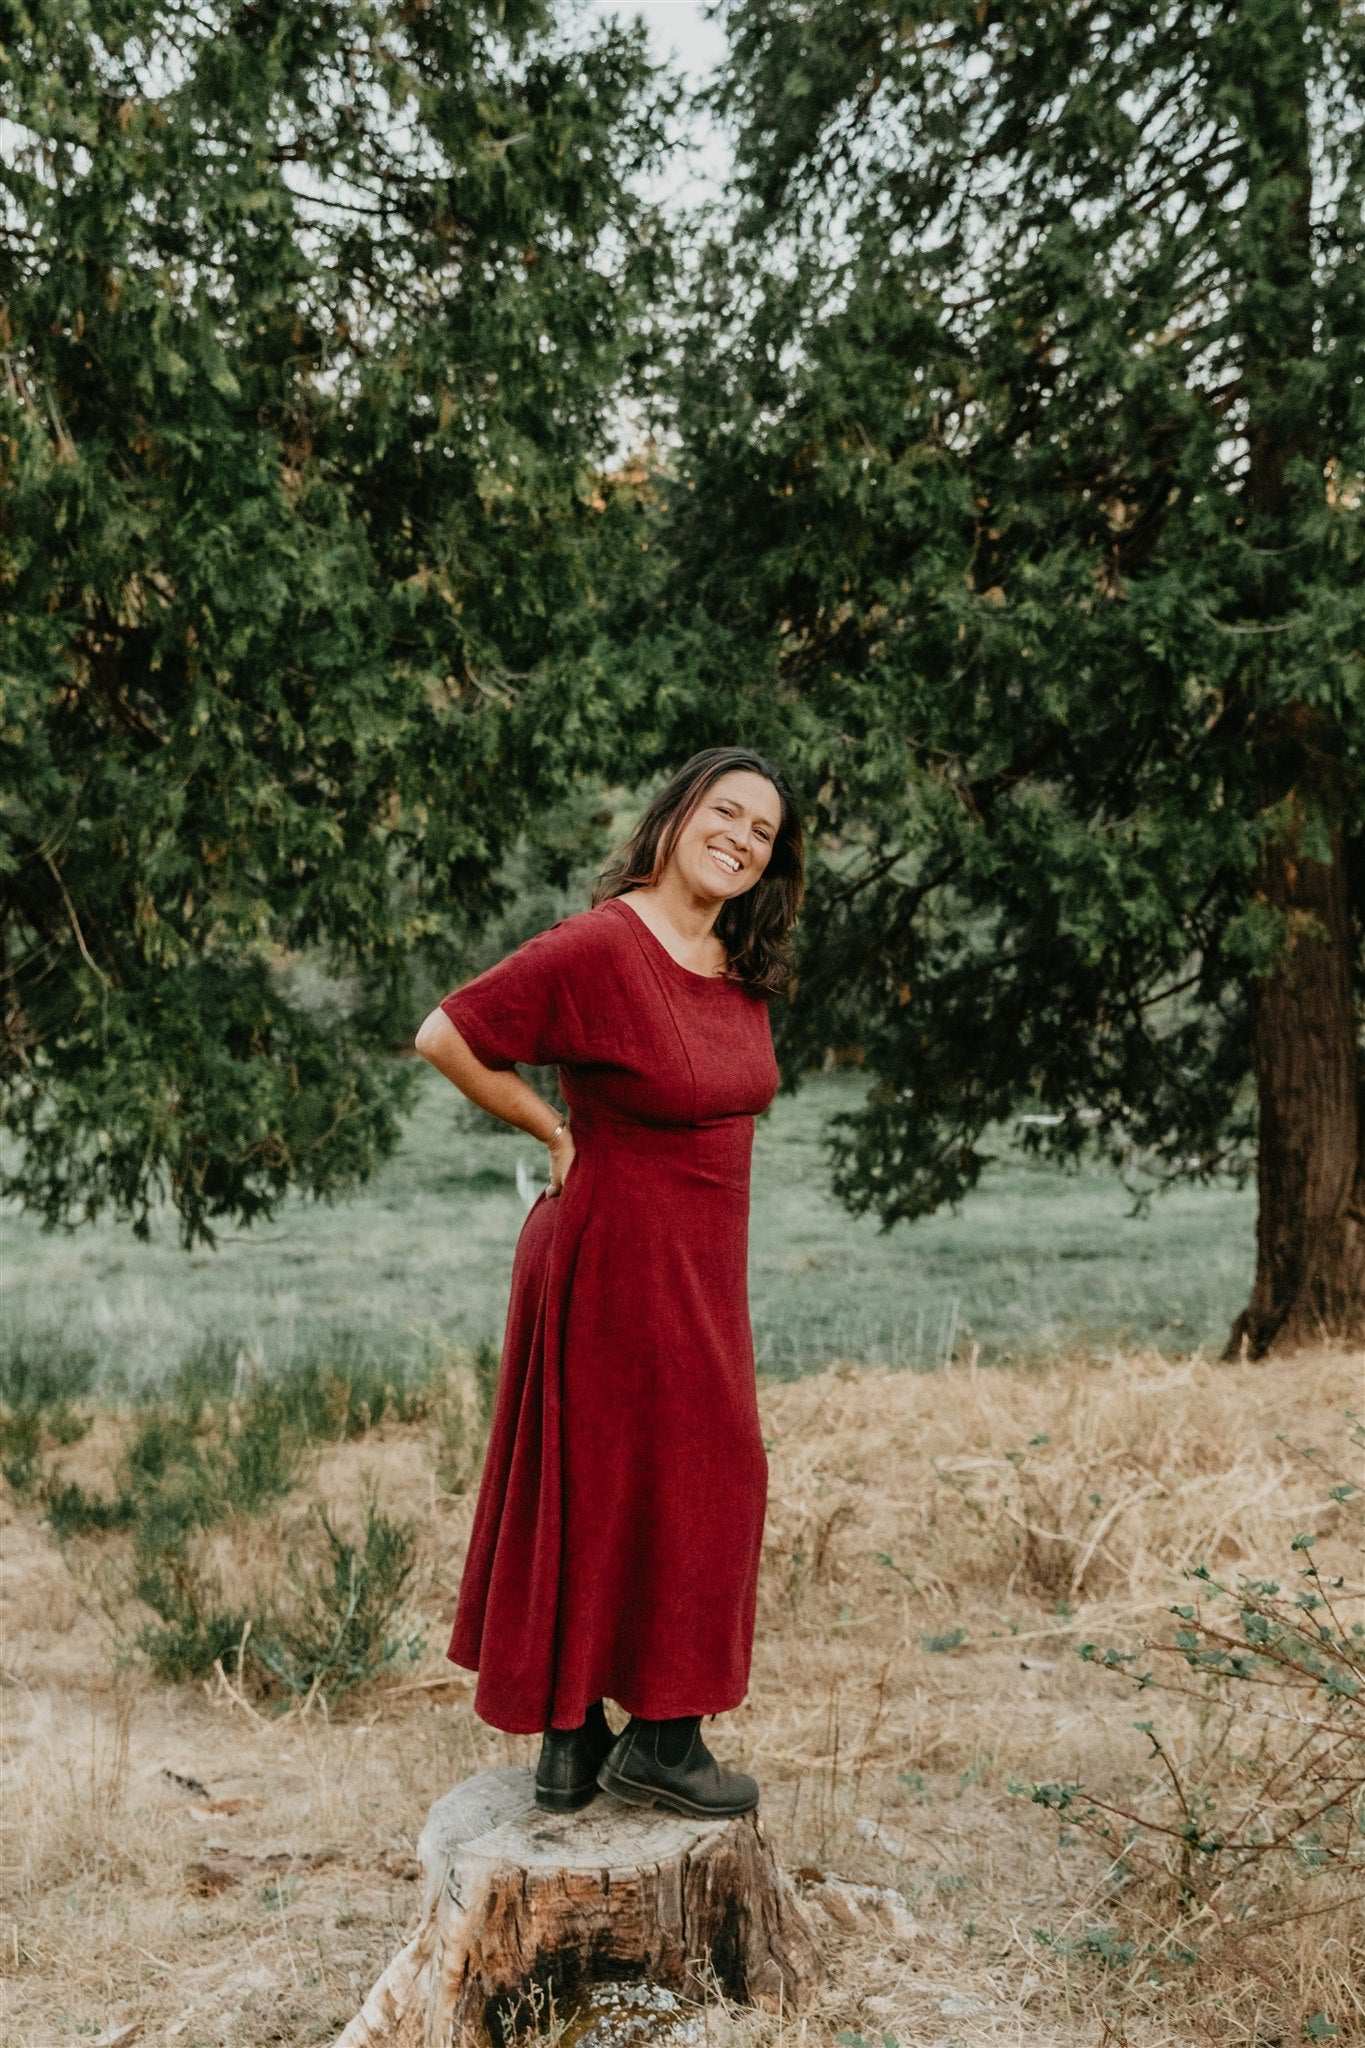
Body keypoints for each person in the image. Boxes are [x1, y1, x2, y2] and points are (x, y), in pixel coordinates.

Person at [414, 746, 805, 1820]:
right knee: (638, 1479)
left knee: (661, 1478)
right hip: (611, 1253)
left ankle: (577, 1743)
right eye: (725, 811)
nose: (740, 838)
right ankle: (656, 1743)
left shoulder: (733, 960)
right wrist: (551, 1128)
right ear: (676, 815)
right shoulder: (600, 944)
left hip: (697, 1266)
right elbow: (446, 1033)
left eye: (763, 831)